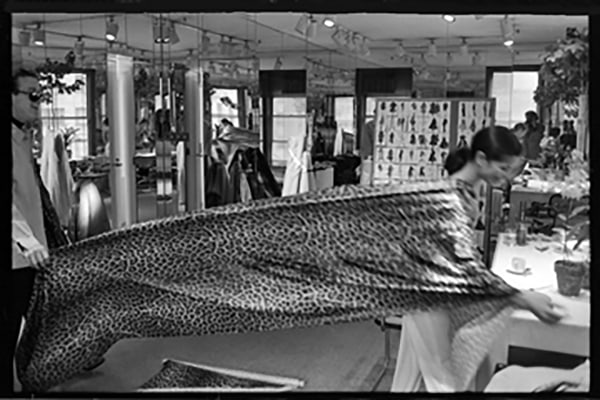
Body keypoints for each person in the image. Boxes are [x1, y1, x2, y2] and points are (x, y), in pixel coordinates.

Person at [391, 126, 563, 392]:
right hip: (427, 292)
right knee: (444, 376)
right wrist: (520, 297)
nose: (506, 178)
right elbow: (462, 264)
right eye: (503, 168)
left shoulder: (466, 188)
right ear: (481, 159)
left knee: (415, 370)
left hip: (425, 287)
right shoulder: (453, 197)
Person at [5, 68, 50, 394]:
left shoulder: (24, 137)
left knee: (29, 326)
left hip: (30, 257)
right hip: (16, 258)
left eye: (40, 95)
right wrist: (28, 241)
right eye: (31, 94)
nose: (38, 101)